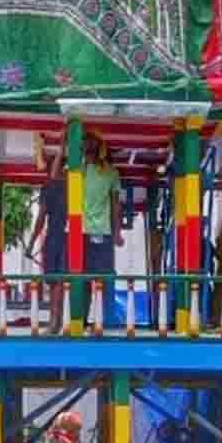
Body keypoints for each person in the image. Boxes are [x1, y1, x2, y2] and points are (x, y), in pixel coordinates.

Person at [25, 144, 66, 333]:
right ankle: (56, 323)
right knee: (58, 282)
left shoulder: (51, 187)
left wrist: (31, 244)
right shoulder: (70, 186)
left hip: (56, 238)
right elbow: (41, 218)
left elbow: (41, 219)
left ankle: (54, 323)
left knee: (56, 281)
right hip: (64, 237)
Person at [83, 132, 123, 324]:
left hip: (104, 232)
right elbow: (55, 175)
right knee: (81, 279)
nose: (87, 146)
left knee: (104, 279)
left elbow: (116, 204)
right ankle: (80, 320)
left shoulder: (111, 172)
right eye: (84, 143)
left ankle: (105, 320)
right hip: (80, 232)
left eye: (91, 143)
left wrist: (117, 233)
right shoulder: (77, 169)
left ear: (100, 147)